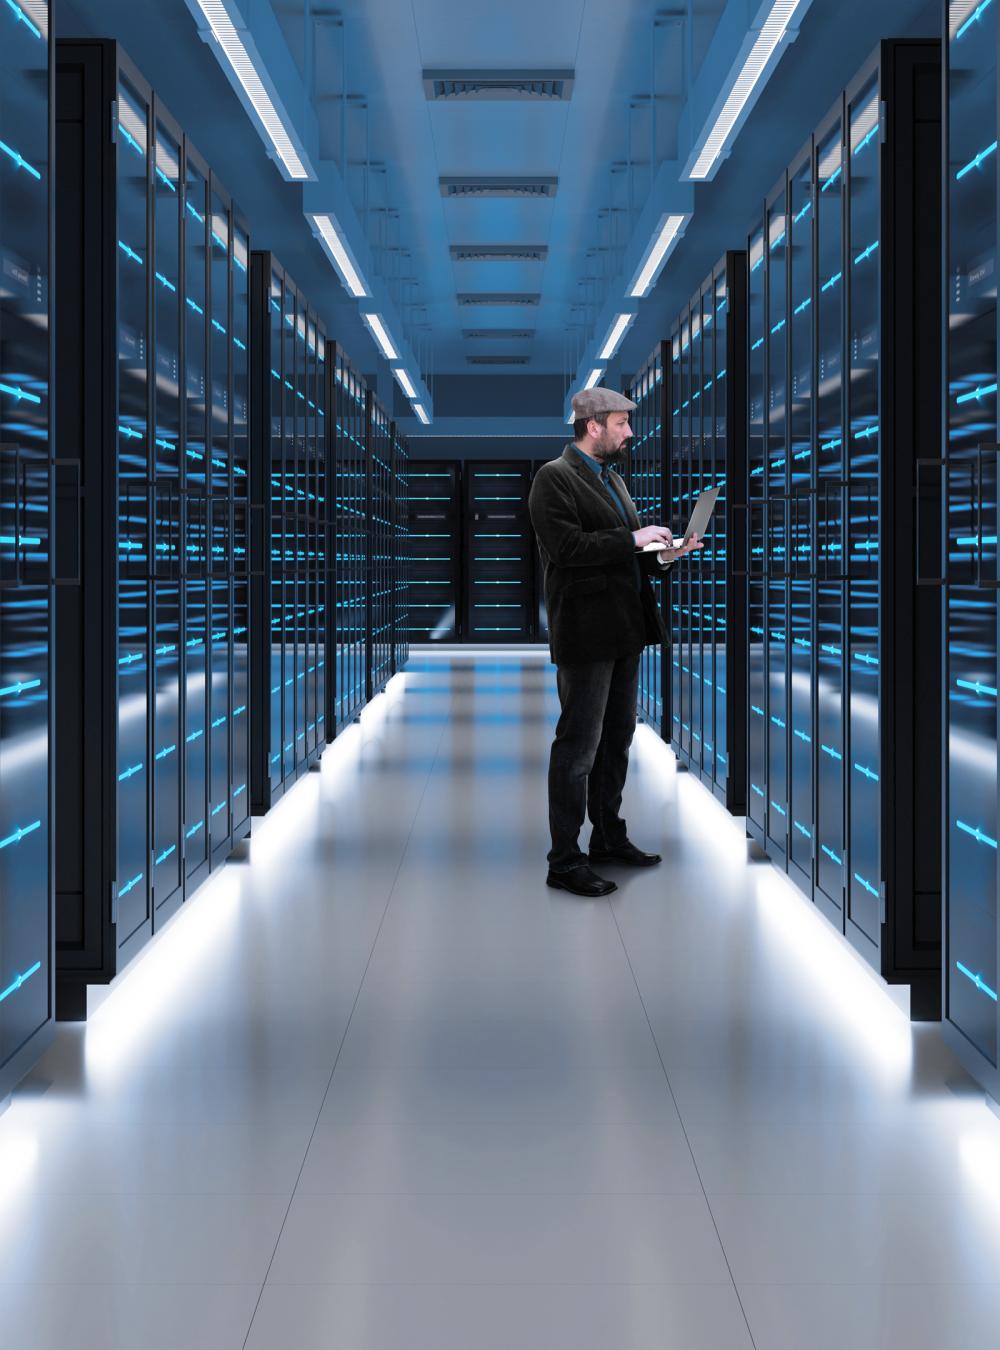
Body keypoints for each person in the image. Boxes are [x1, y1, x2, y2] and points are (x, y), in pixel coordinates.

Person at [528, 387, 703, 897]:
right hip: (586, 633)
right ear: (594, 425)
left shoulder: (613, 481)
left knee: (616, 741)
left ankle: (608, 837)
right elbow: (567, 549)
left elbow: (628, 558)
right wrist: (634, 537)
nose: (630, 432)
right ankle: (564, 860)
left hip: (626, 629)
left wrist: (668, 554)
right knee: (578, 747)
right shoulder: (553, 479)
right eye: (623, 424)